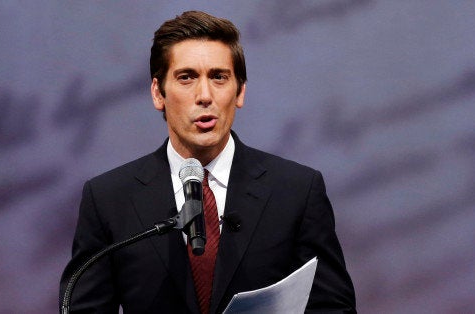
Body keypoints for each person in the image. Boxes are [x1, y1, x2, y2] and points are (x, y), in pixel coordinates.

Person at [60, 10, 356, 314]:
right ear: (158, 93)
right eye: (186, 77)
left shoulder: (296, 191)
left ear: (239, 91)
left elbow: (333, 308)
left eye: (219, 77)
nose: (205, 95)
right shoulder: (109, 199)